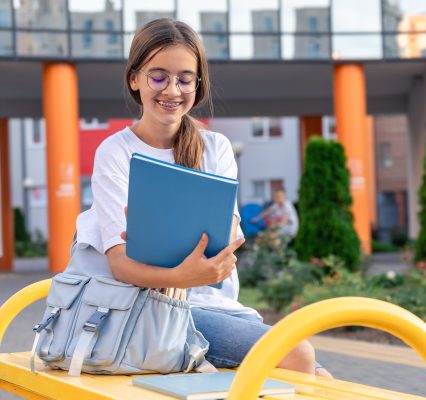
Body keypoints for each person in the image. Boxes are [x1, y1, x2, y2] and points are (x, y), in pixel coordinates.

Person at [73, 18, 331, 377]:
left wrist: (208, 260)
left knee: (319, 375)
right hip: (150, 308)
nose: (172, 90)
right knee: (298, 355)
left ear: (199, 82)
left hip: (213, 305)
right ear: (135, 79)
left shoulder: (215, 147)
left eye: (185, 78)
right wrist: (184, 274)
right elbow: (120, 266)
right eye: (158, 76)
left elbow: (226, 240)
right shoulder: (115, 153)